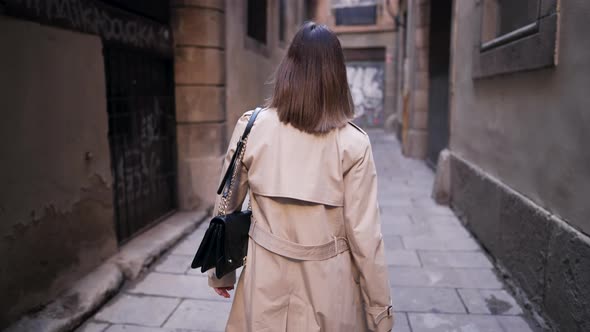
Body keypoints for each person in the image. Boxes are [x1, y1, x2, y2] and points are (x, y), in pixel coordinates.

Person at [208, 22, 393, 332]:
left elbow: (225, 203)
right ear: (337, 75)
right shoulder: (354, 144)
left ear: (288, 69)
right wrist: (380, 312)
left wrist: (220, 272)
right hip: (330, 290)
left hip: (263, 284)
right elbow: (366, 238)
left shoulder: (251, 127)